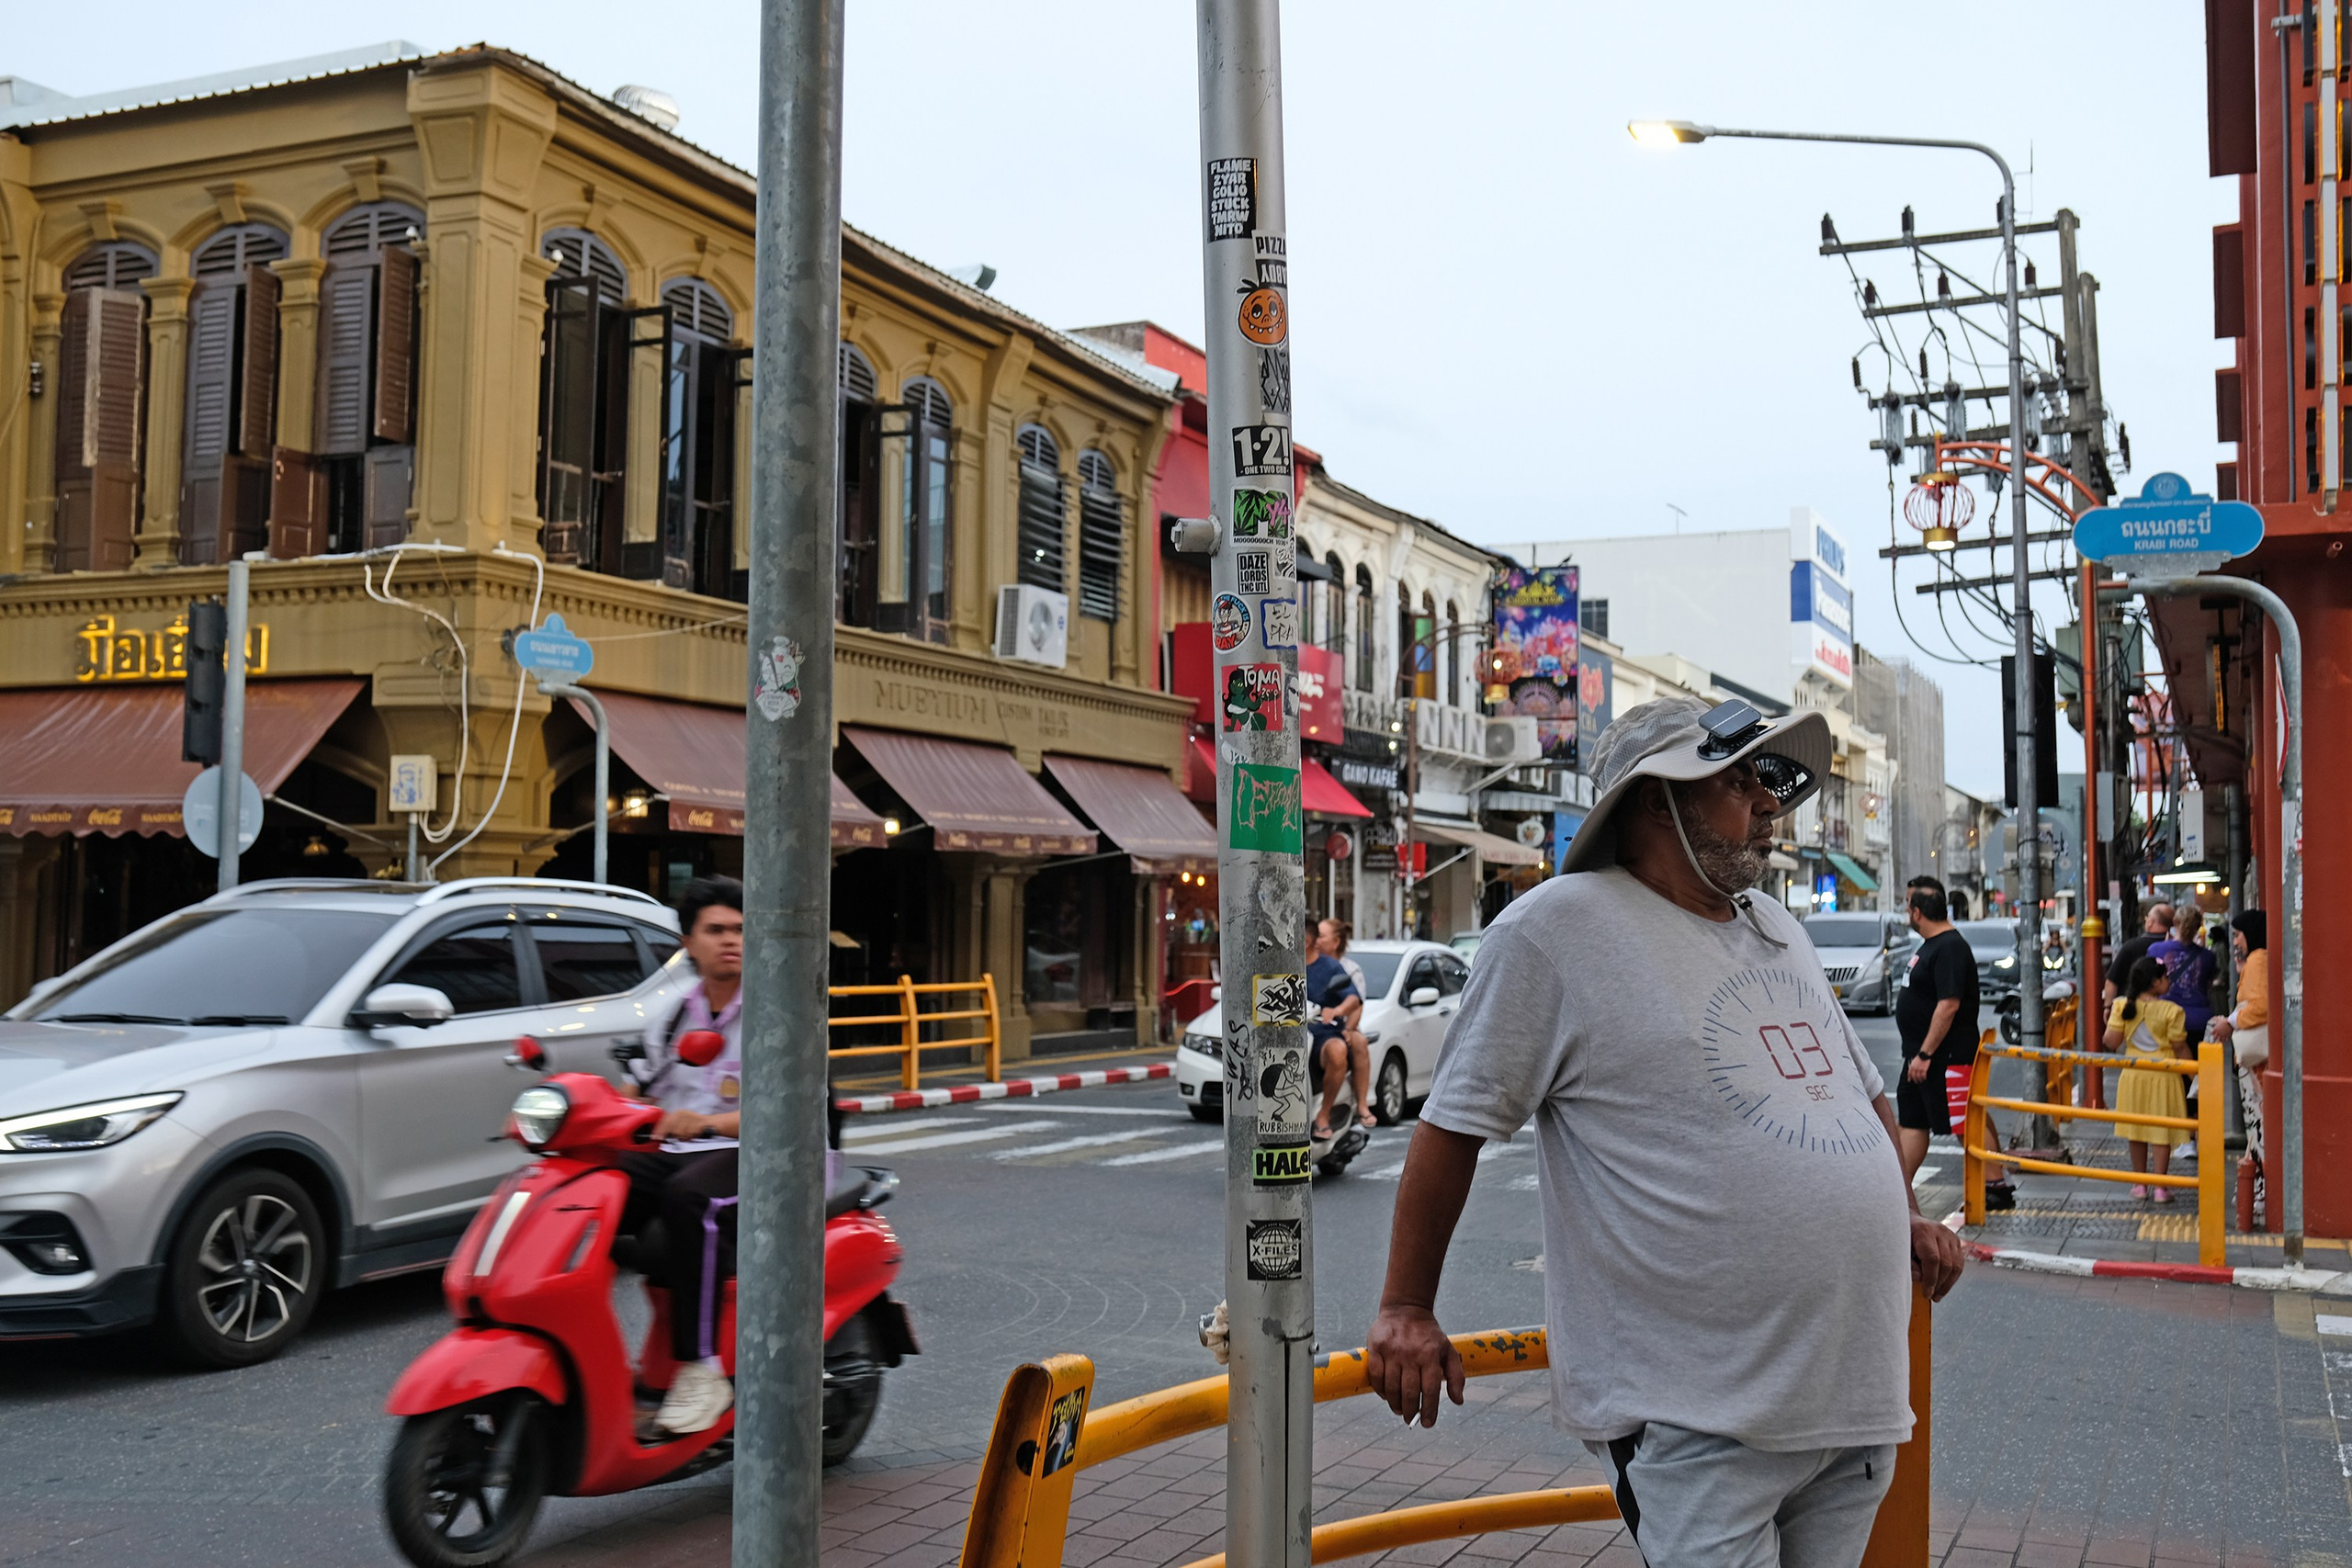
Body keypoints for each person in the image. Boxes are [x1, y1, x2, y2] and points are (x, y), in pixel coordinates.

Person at [1366, 697, 1962, 1568]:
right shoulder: (1555, 929)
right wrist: (1406, 1307)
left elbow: (1855, 1090)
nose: (1767, 801)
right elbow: (1452, 1124)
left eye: (1766, 779)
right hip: (1699, 1418)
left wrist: (1898, 1213)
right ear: (1657, 800)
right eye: (1737, 779)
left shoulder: (1775, 926)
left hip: (1852, 1401)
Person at [617, 876, 746, 1435]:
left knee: (690, 1196)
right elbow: (636, 1090)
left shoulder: (778, 1013)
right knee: (590, 1185)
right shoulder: (673, 1014)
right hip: (681, 1149)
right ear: (688, 942)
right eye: (715, 930)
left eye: (741, 930)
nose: (730, 941)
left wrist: (709, 1121)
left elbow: (795, 1113)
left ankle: (703, 1370)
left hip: (762, 1153)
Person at [1893, 880, 2011, 1208]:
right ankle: (1896, 1191)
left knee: (1965, 1121)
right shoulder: (1933, 944)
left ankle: (1995, 1185)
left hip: (1942, 1057)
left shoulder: (1949, 947)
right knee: (1913, 1122)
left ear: (1917, 912)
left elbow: (1949, 1004)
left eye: (1907, 905)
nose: (1906, 911)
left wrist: (1926, 1053)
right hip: (1919, 1057)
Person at [2104, 955, 2190, 1202]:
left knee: (2137, 1130)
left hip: (2133, 1075)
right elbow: (2180, 1047)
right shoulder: (2171, 1011)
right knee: (2161, 1132)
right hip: (2163, 1075)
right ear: (2154, 983)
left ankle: (2140, 1184)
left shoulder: (2122, 1006)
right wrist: (2195, 1074)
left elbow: (2111, 1041)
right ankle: (2161, 1187)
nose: (2169, 981)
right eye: (2165, 978)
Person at [2209, 910, 2270, 1175]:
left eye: (2238, 935)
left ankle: (2259, 1185)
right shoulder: (2259, 959)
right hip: (2258, 1059)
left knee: (2257, 1122)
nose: (2235, 942)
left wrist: (2231, 1023)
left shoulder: (2257, 960)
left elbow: (2259, 1007)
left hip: (2256, 1062)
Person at [1318, 918, 1377, 1130]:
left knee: (1359, 1043)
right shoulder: (1310, 964)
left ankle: (1362, 1105)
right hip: (1318, 1028)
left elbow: (1356, 1004)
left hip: (1342, 1027)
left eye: (1321, 936)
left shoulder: (1350, 969)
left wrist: (1348, 1029)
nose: (1316, 941)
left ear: (1336, 941)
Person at [2103, 902, 2176, 1010]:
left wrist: (2108, 1007)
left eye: (2147, 918)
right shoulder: (2178, 948)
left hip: (2134, 1009)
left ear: (2150, 922)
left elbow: (2112, 981)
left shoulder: (2131, 947)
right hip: (2170, 1007)